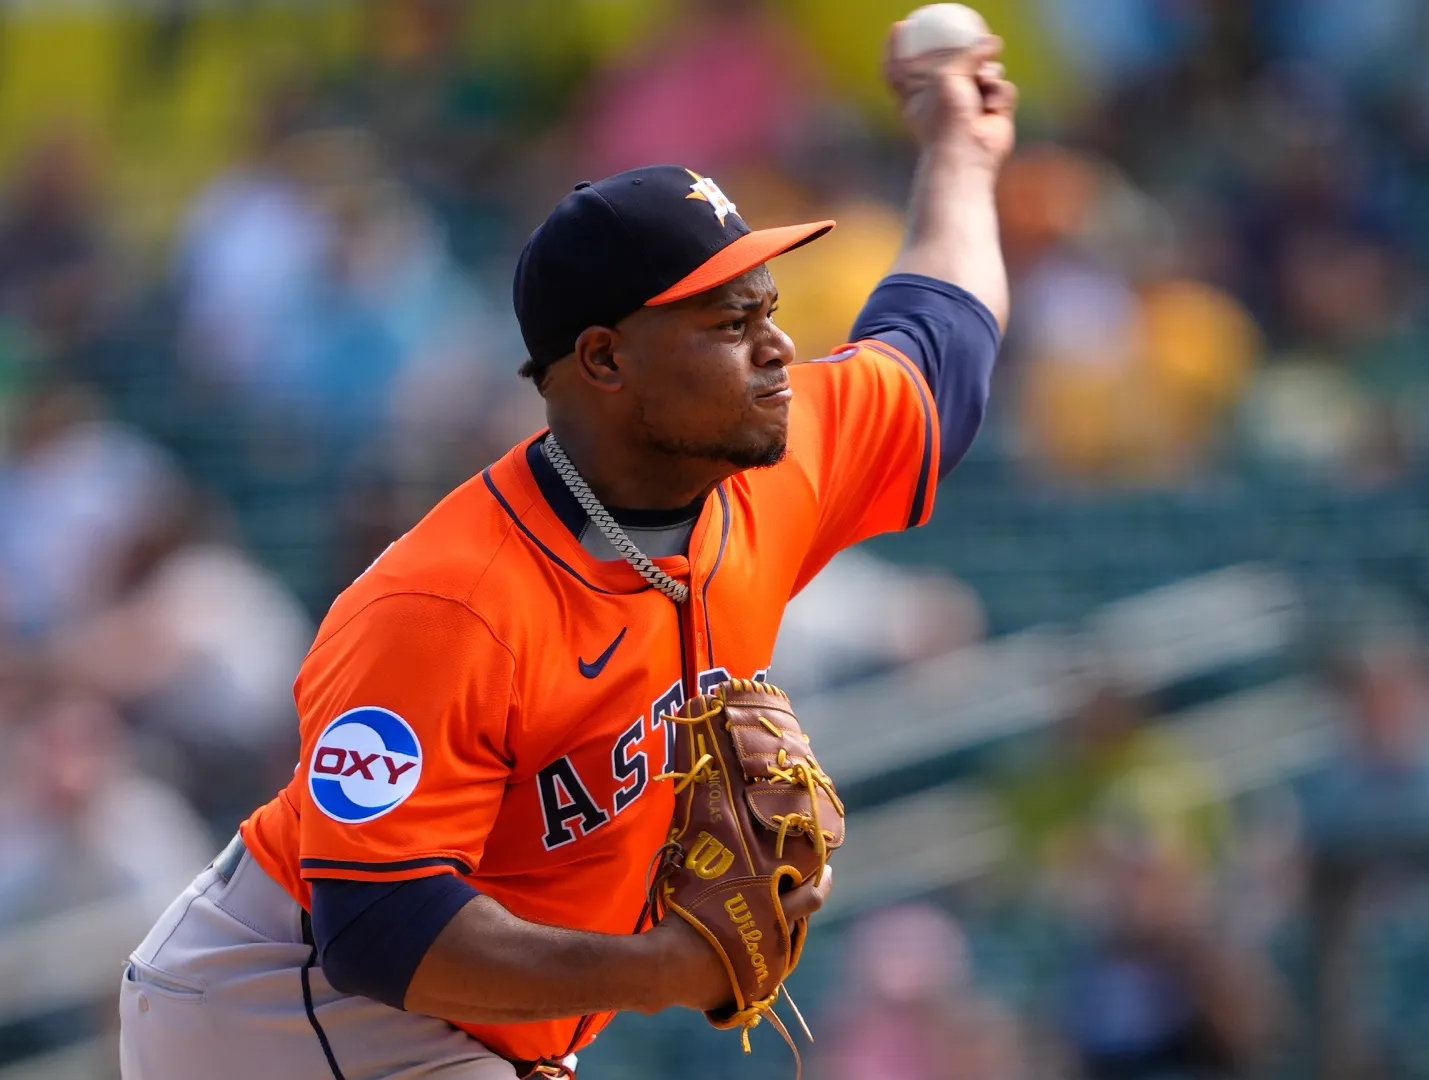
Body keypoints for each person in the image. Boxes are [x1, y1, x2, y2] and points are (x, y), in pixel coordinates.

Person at [118, 20, 1016, 1080]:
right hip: (281, 1006)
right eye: (728, 321)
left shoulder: (771, 461)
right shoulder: (449, 604)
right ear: (603, 359)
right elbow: (380, 932)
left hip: (469, 1022)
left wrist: (960, 150)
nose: (777, 345)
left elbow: (942, 342)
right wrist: (667, 968)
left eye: (767, 309)